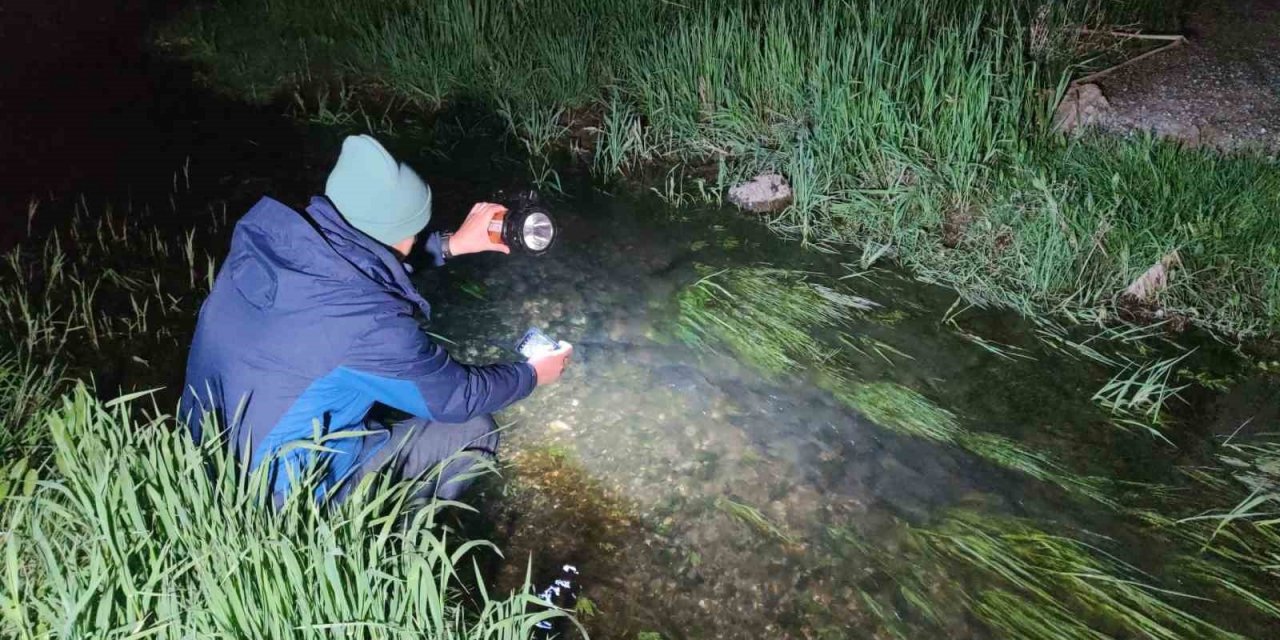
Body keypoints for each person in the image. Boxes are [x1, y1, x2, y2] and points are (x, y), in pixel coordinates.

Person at [180, 134, 572, 505]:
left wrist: (452, 245)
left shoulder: (267, 247)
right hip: (280, 495)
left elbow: (357, 271)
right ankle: (398, 545)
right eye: (416, 232)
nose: (418, 239)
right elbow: (456, 398)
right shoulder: (370, 325)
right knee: (473, 430)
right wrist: (534, 373)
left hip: (209, 458)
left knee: (366, 395)